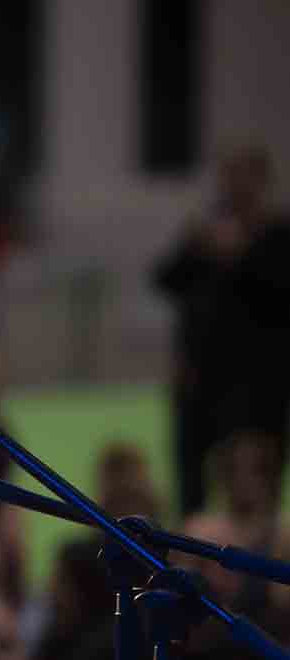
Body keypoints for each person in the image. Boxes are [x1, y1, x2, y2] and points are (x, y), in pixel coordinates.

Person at [155, 142, 290, 517]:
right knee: (191, 483)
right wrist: (195, 245)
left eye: (241, 173)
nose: (232, 184)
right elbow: (166, 279)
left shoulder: (278, 234)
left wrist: (242, 255)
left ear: (261, 179)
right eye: (227, 174)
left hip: (257, 385)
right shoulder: (208, 231)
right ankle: (190, 543)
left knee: (255, 477)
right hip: (200, 381)